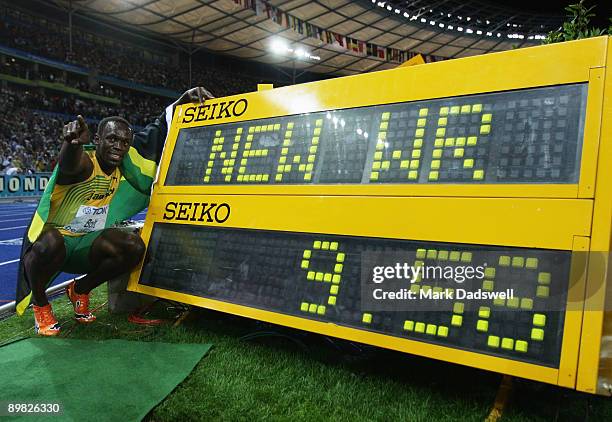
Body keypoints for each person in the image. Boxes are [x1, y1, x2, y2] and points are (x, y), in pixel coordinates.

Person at [19, 87, 213, 336]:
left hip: (87, 245)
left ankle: (80, 289)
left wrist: (181, 101)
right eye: (112, 139)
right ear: (97, 140)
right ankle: (41, 305)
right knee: (48, 242)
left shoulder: (124, 164)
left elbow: (154, 133)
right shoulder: (85, 163)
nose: (119, 147)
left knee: (134, 247)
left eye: (124, 142)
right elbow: (69, 165)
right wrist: (71, 145)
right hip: (57, 246)